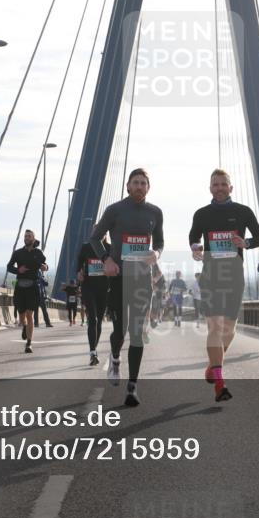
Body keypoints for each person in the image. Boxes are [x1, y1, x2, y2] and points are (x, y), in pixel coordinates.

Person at [89, 168, 164, 407]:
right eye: (136, 182)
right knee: (120, 331)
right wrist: (107, 260)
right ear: (128, 186)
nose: (140, 186)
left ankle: (132, 387)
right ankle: (114, 357)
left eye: (144, 183)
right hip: (119, 277)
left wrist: (157, 253)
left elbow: (160, 241)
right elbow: (94, 238)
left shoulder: (155, 212)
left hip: (142, 278)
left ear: (148, 188)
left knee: (138, 333)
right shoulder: (115, 210)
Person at [189, 168, 259, 402]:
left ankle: (214, 364)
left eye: (224, 184)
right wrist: (195, 248)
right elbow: (193, 237)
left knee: (229, 329)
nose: (220, 188)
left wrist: (247, 242)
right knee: (214, 327)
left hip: (234, 275)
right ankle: (220, 383)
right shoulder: (201, 214)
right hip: (211, 274)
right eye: (215, 184)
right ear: (210, 188)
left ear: (230, 188)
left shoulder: (243, 211)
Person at [6, 229, 48, 354]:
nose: (27, 238)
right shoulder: (18, 253)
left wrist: (45, 267)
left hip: (32, 287)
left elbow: (45, 264)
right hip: (20, 287)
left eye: (29, 236)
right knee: (22, 315)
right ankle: (24, 326)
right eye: (25, 236)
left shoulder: (38, 253)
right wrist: (18, 270)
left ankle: (29, 343)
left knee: (30, 314)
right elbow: (9, 267)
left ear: (33, 239)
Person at [77, 237, 111, 365]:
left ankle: (94, 348)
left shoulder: (109, 248)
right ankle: (92, 352)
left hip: (104, 288)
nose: (99, 233)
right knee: (93, 319)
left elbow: (116, 264)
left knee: (99, 321)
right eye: (96, 231)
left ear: (105, 233)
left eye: (101, 231)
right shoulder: (86, 247)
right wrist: (78, 272)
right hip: (88, 286)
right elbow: (79, 261)